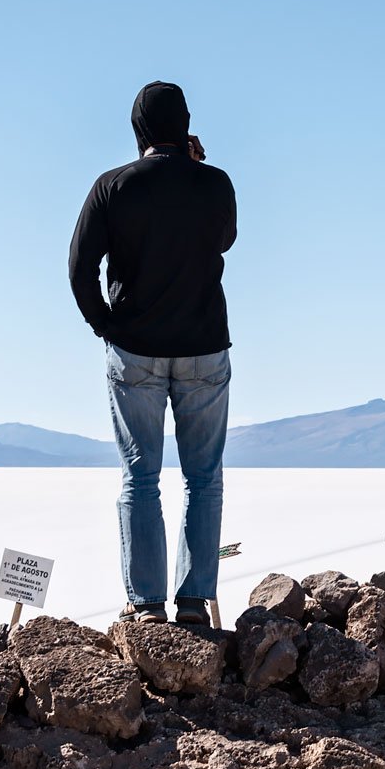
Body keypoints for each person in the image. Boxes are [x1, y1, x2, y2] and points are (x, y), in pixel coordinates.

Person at [69, 81, 237, 625]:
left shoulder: (112, 186)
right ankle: (192, 602)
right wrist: (195, 167)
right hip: (204, 349)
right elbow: (226, 238)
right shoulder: (215, 184)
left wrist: (106, 326)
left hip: (135, 351)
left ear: (138, 129)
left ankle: (145, 605)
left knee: (140, 478)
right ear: (185, 125)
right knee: (203, 478)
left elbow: (79, 268)